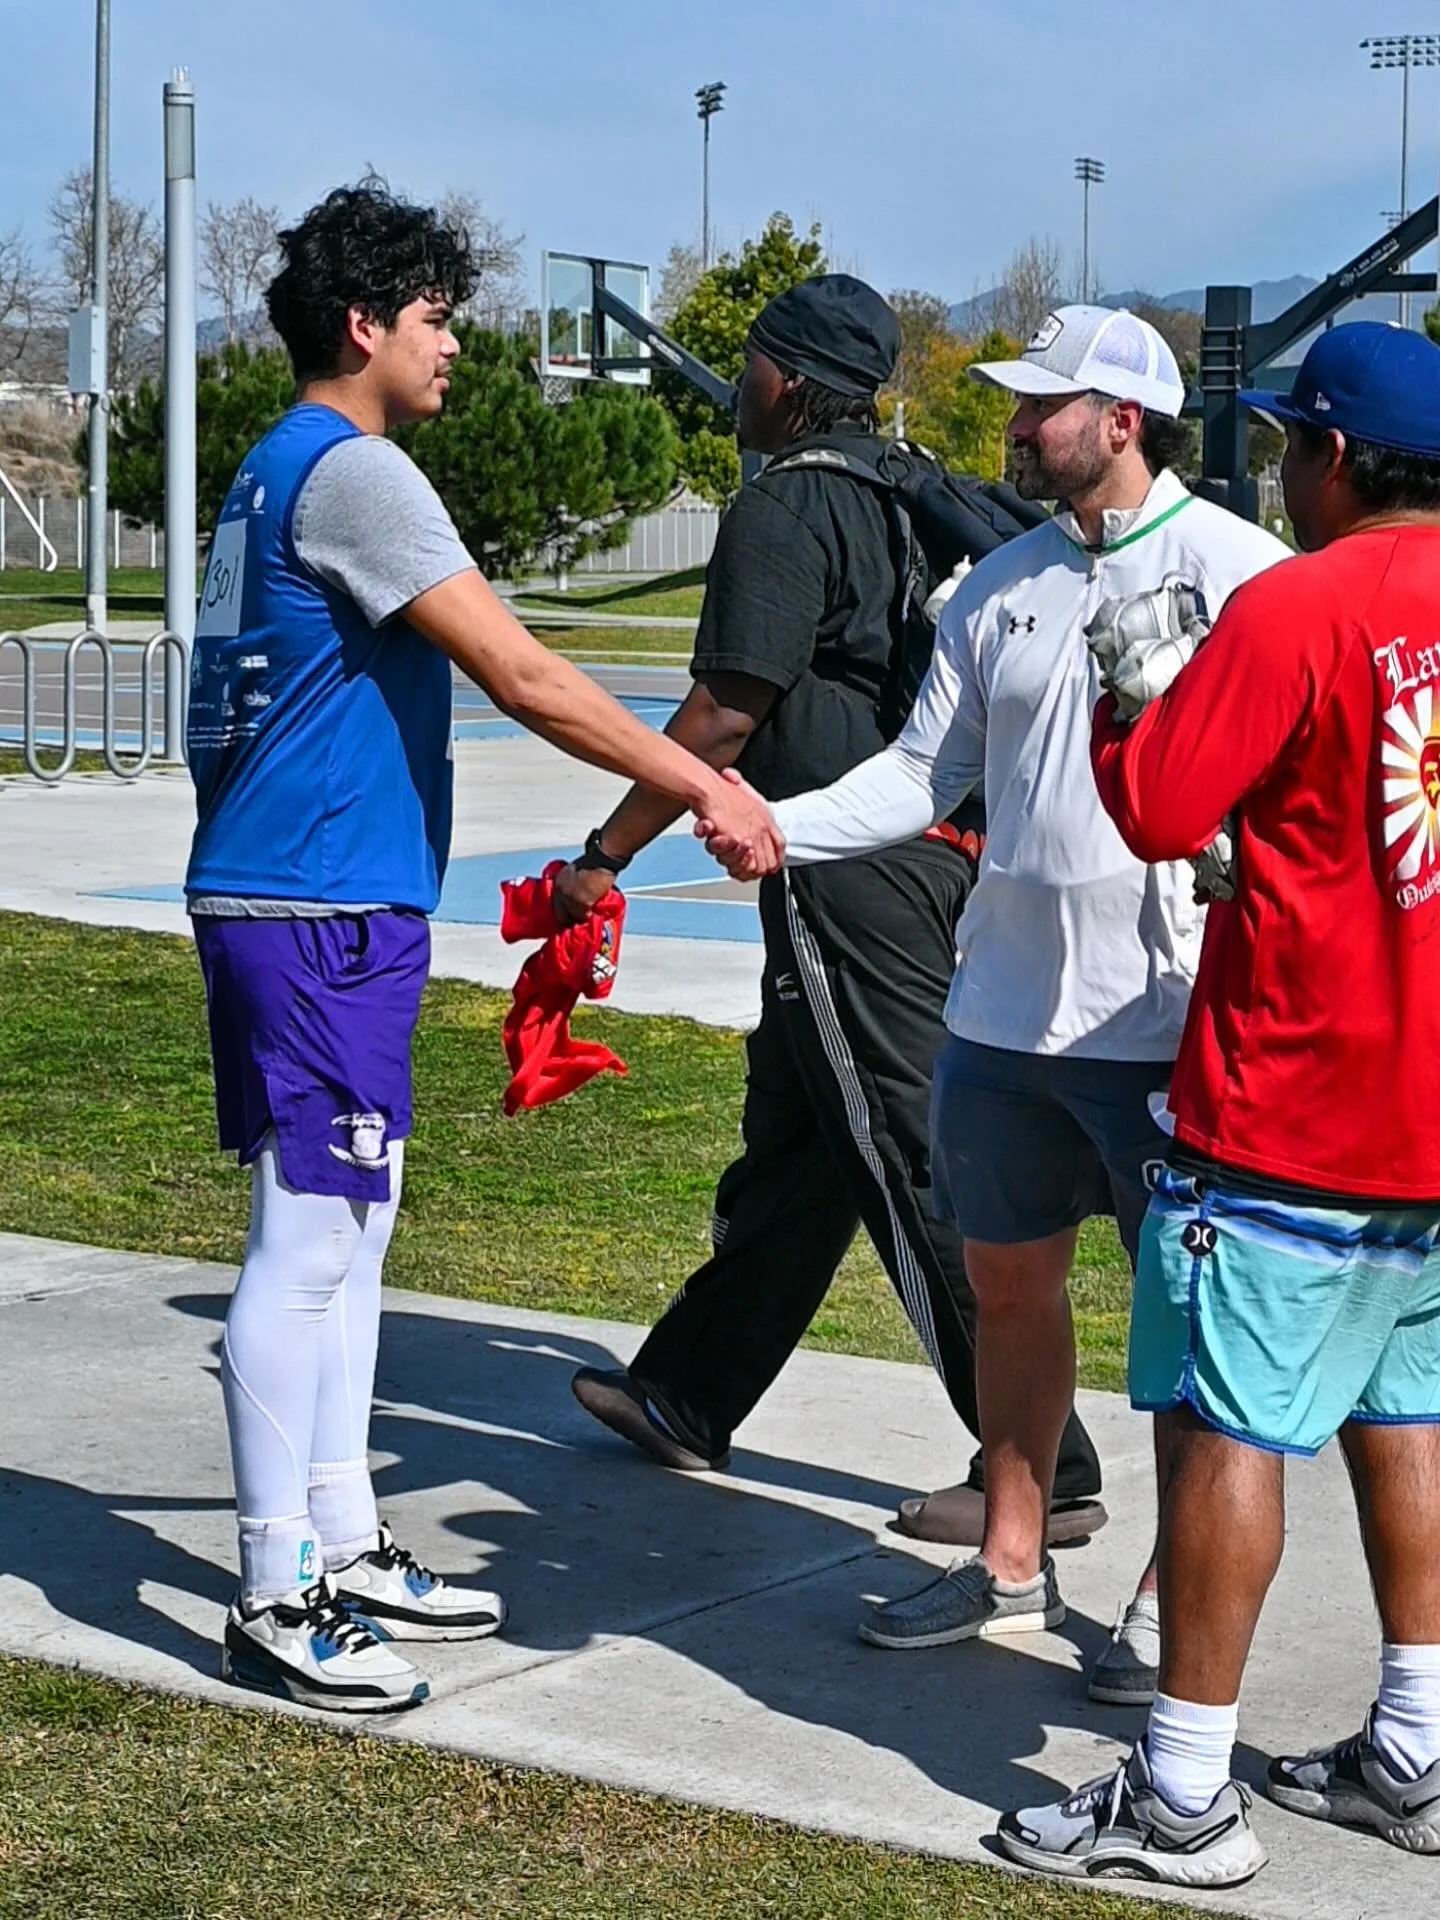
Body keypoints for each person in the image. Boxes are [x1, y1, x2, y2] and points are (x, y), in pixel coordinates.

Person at [185, 182, 779, 1712]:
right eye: (437, 317)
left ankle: (342, 1535)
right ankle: (276, 1590)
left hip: (311, 898)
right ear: (364, 324)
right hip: (314, 906)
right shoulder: (356, 472)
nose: (455, 345)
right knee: (309, 1238)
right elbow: (522, 672)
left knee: (357, 1225)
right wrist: (703, 782)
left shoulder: (271, 467)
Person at [706, 307, 1288, 1692]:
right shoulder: (997, 587)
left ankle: (1172, 1594)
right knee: (1010, 1294)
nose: (1018, 429)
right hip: (1002, 1023)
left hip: (1168, 1026)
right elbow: (923, 775)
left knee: (1185, 1326)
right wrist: (781, 824)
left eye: (1044, 407)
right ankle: (1011, 1563)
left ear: (1124, 422)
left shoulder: (1246, 577)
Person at [995, 323, 1440, 1888]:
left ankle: (1183, 1789)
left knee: (1226, 1430)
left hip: (1293, 1098)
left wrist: (1130, 697)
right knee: (1407, 1412)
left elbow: (1162, 804)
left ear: (1335, 457)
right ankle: (1417, 1746)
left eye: (1293, 446)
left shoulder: (1300, 600)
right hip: (1431, 1110)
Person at [562, 274, 1107, 1549]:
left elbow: (724, 715)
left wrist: (605, 853)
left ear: (792, 381)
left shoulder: (788, 503)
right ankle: (691, 1389)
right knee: (805, 1135)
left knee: (904, 1144)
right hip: (924, 855)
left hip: (844, 874)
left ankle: (1041, 1466)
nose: (738, 385)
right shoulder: (905, 488)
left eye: (753, 361)